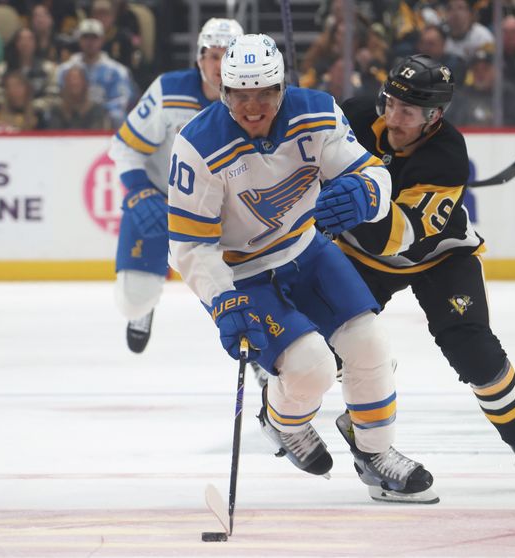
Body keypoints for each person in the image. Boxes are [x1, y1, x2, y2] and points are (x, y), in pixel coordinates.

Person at [167, 33, 436, 504]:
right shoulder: (197, 146)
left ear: (282, 88)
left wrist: (366, 195)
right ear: (223, 93)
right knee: (310, 368)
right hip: (244, 270)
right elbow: (190, 245)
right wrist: (221, 300)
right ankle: (283, 422)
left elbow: (372, 173)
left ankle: (376, 454)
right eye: (241, 95)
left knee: (368, 343)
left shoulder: (317, 112)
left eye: (264, 93)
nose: (253, 107)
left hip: (306, 248)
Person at [335, 54, 515, 490]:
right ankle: (352, 429)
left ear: (435, 116)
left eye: (407, 112)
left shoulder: (446, 156)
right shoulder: (352, 115)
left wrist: (347, 208)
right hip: (362, 260)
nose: (393, 117)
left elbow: (395, 237)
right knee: (328, 348)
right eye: (390, 103)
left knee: (474, 349)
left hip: (439, 255)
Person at [108, 18, 244, 353]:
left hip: (221, 212)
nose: (219, 64)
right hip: (161, 202)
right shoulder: (169, 91)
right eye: (213, 55)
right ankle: (144, 308)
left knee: (247, 290)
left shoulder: (256, 99)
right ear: (199, 58)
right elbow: (125, 146)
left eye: (228, 55)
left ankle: (259, 346)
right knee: (133, 301)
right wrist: (140, 193)